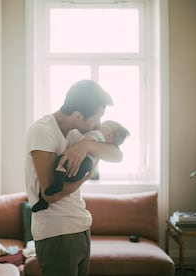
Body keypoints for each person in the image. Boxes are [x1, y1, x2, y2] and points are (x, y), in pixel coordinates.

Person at [25, 79, 122, 276]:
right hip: (57, 232)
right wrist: (85, 178)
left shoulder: (80, 134)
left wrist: (86, 146)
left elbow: (118, 155)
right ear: (78, 115)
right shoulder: (42, 131)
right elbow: (50, 194)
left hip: (81, 226)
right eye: (96, 119)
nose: (98, 125)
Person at [31, 120, 130, 212]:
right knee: (60, 176)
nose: (100, 124)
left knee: (58, 164)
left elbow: (86, 142)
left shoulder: (97, 134)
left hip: (80, 161)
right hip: (84, 168)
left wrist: (81, 146)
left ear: (109, 134)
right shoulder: (103, 145)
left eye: (104, 125)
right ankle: (54, 187)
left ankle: (54, 187)